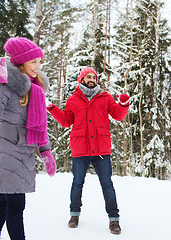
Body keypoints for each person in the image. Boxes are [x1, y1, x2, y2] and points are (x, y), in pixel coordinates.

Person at [0, 37, 56, 240]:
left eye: (40, 62)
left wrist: (45, 150)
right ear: (21, 62)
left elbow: (40, 125)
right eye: (33, 62)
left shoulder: (37, 89)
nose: (38, 66)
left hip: (23, 152)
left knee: (6, 200)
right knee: (16, 204)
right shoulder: (6, 85)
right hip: (6, 150)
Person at [46, 67, 129, 235]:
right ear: (81, 79)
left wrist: (123, 104)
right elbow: (66, 121)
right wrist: (52, 108)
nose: (92, 79)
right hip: (80, 148)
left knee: (107, 185)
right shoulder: (73, 100)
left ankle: (114, 220)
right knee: (77, 183)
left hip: (101, 149)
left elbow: (118, 115)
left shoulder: (105, 97)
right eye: (88, 76)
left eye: (94, 77)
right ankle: (74, 215)